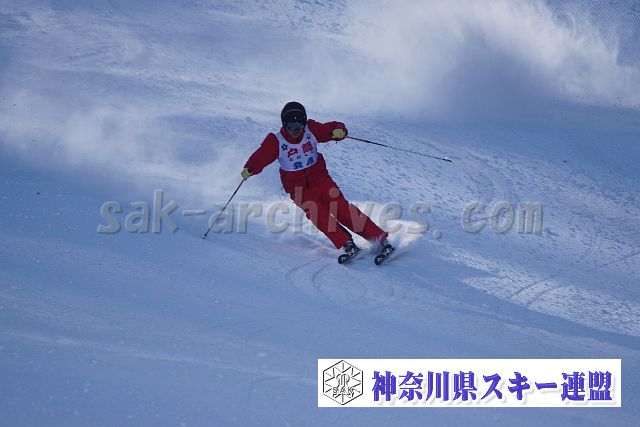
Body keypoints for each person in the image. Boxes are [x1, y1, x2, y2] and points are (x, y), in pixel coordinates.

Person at [241, 101, 391, 256]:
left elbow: (331, 128)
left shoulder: (311, 130)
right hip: (299, 190)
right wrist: (250, 168)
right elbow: (262, 155)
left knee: (342, 209)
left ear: (304, 123)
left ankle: (378, 238)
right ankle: (345, 243)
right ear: (284, 125)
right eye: (290, 127)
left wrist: (338, 131)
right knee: (319, 215)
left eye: (298, 127)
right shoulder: (276, 141)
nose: (295, 131)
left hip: (322, 181)